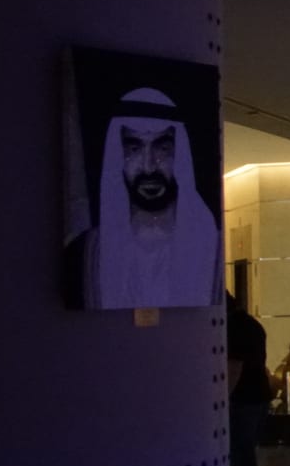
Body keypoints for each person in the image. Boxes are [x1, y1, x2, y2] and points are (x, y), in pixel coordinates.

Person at [86, 87, 221, 308]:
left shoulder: (211, 246)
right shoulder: (91, 251)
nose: (148, 166)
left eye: (163, 148)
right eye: (134, 149)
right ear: (118, 156)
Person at [226, 291, 271, 466]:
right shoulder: (253, 325)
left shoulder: (233, 328)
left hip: (242, 399)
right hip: (259, 396)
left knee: (240, 454)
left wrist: (222, 399)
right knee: (246, 452)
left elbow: (234, 368)